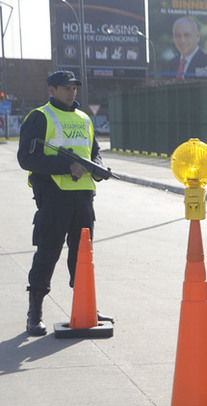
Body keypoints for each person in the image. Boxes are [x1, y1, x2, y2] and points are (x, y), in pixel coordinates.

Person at [17, 70, 111, 336]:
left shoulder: (83, 118)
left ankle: (87, 307)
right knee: (47, 254)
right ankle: (34, 313)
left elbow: (93, 152)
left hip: (83, 198)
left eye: (74, 88)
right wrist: (65, 167)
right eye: (66, 88)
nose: (72, 92)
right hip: (54, 198)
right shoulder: (40, 117)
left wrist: (98, 168)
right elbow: (27, 159)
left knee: (82, 257)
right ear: (52, 89)